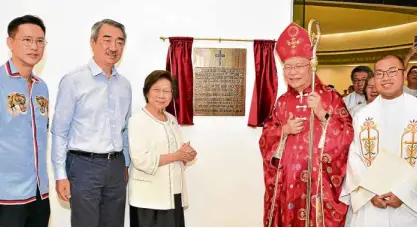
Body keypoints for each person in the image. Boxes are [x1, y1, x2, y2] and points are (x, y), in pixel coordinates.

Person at [259, 23, 354, 227]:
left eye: (298, 66)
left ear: (311, 65)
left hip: (319, 186)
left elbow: (348, 137)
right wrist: (284, 130)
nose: (293, 73)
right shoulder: (282, 102)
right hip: (287, 184)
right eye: (288, 67)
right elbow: (266, 137)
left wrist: (321, 113)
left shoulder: (331, 97)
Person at [51, 19, 132, 226]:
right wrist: (60, 175)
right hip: (83, 166)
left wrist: (125, 163)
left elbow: (125, 128)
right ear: (93, 42)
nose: (113, 47)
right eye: (107, 40)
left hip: (116, 166)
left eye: (120, 42)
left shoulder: (124, 85)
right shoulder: (73, 80)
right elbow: (59, 131)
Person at [340, 55, 417, 226]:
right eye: (380, 73)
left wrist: (404, 192)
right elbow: (355, 158)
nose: (386, 77)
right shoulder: (363, 115)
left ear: (403, 75)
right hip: (372, 203)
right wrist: (369, 193)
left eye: (392, 71)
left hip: (411, 205)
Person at [128, 70, 197, 227]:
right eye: (157, 90)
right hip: (148, 198)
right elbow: (141, 160)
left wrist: (187, 155)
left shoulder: (172, 119)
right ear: (146, 92)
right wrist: (177, 155)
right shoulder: (137, 121)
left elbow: (177, 152)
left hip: (173, 194)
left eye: (167, 91)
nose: (162, 95)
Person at [0, 15, 50, 226]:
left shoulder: (42, 87)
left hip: (39, 192)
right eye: (27, 40)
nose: (34, 47)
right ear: (10, 42)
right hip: (6, 194)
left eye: (40, 41)